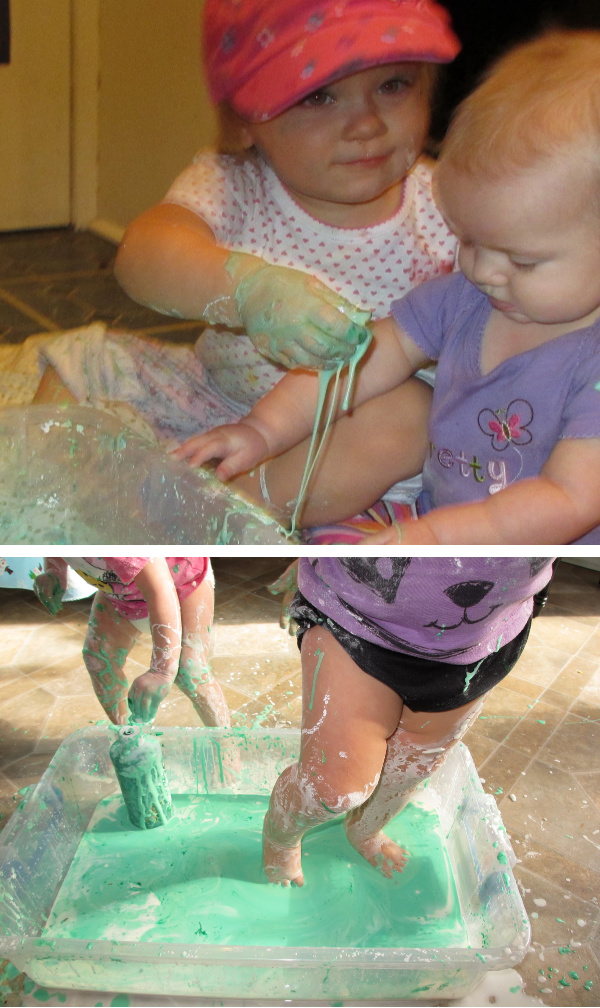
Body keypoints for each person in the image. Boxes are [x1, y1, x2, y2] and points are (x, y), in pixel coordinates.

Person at [33, 0, 460, 537]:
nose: (367, 123)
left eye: (394, 85)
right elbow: (143, 253)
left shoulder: (449, 202)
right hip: (217, 400)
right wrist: (248, 289)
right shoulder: (235, 181)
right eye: (320, 94)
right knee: (82, 361)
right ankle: (44, 505)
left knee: (411, 415)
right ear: (245, 122)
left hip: (338, 438)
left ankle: (230, 514)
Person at [174, 30, 600, 545]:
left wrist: (436, 540)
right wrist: (263, 430)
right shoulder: (464, 299)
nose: (483, 270)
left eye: (522, 260)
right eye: (469, 239)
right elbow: (359, 363)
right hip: (438, 528)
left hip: (555, 573)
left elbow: (568, 500)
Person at [262, 556, 556, 886]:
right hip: (359, 624)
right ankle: (280, 839)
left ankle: (364, 829)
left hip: (481, 640)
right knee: (333, 789)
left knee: (411, 769)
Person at [34, 557, 230, 727]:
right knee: (98, 660)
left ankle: (227, 752)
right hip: (121, 592)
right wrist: (55, 570)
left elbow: (160, 590)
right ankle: (131, 738)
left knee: (190, 669)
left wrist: (161, 671)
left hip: (180, 582)